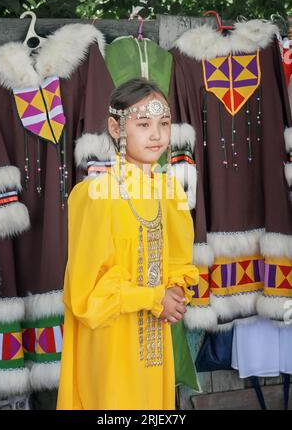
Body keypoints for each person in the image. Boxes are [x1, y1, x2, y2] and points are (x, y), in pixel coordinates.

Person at [56, 78, 199, 410]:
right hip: (111, 343)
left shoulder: (169, 192)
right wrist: (152, 297)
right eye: (143, 124)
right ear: (116, 128)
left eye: (164, 124)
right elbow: (86, 293)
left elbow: (179, 259)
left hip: (154, 341)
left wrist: (175, 290)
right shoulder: (95, 195)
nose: (156, 135)